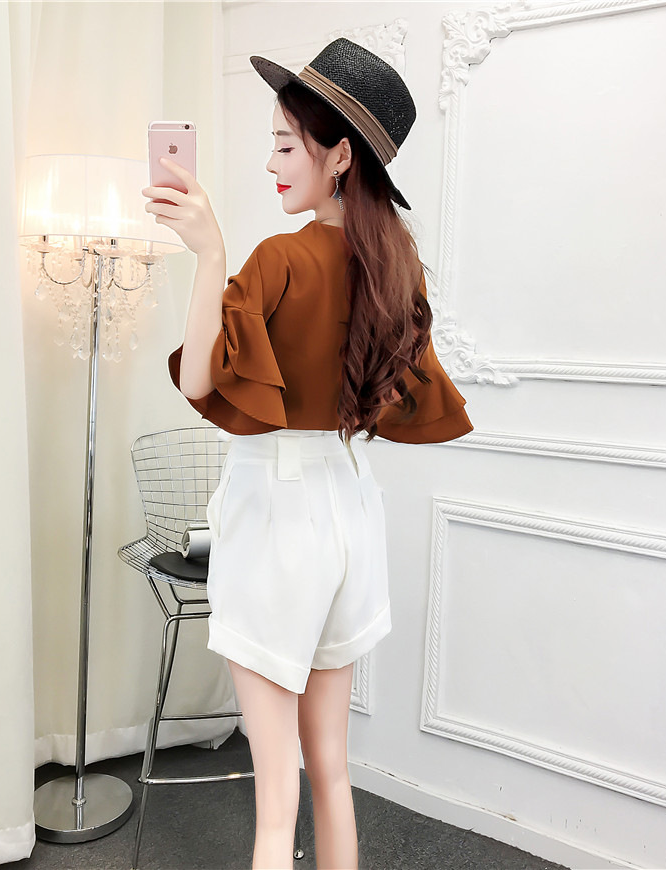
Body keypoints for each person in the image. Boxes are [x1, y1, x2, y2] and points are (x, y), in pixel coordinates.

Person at [142, 37, 473, 870]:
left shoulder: (280, 259)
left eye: (286, 145)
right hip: (351, 510)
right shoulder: (397, 266)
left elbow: (199, 383)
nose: (271, 163)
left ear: (341, 156)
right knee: (330, 767)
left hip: (277, 517)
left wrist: (209, 254)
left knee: (273, 796)